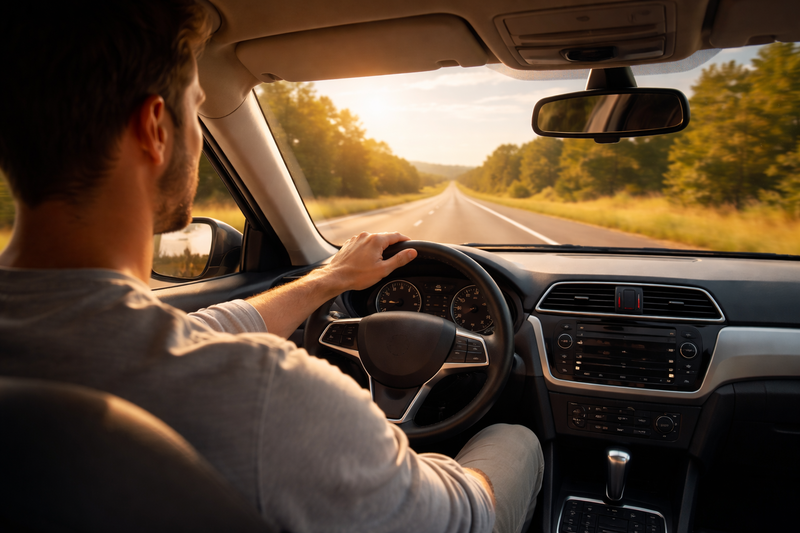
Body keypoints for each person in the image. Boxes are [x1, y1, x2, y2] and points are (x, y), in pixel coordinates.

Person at [0, 1, 543, 532]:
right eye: (195, 107)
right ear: (155, 129)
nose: (197, 131)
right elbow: (472, 517)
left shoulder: (79, 345)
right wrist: (484, 452)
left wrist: (330, 278)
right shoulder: (267, 399)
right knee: (516, 440)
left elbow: (192, 334)